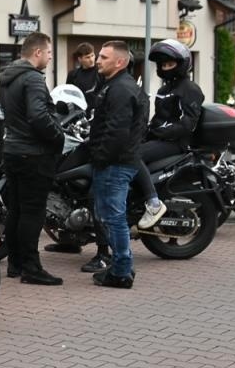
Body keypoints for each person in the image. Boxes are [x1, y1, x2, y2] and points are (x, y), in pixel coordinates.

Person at [0, 34, 65, 285]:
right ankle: (31, 268)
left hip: (13, 150)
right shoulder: (34, 79)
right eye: (48, 53)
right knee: (33, 212)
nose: (49, 57)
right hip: (34, 153)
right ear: (37, 53)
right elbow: (38, 116)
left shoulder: (8, 77)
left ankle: (16, 263)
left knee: (16, 209)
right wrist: (57, 138)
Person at [128, 39, 205, 230]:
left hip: (176, 143)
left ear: (182, 64)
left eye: (170, 63)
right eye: (163, 64)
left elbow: (188, 123)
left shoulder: (190, 89)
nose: (165, 67)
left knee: (132, 155)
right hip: (160, 138)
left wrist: (160, 132)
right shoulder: (164, 90)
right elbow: (158, 119)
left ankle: (153, 203)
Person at [86, 41, 145, 289]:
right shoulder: (116, 85)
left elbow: (116, 132)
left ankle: (120, 272)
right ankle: (122, 267)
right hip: (117, 161)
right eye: (99, 56)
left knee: (114, 218)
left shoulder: (120, 89)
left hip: (115, 163)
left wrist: (100, 157)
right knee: (112, 217)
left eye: (104, 57)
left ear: (120, 62)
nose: (98, 60)